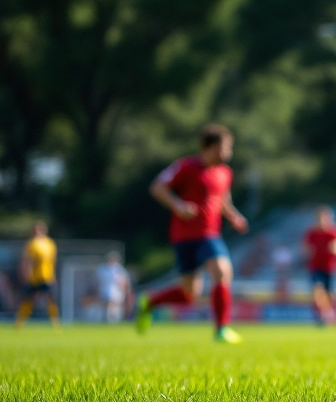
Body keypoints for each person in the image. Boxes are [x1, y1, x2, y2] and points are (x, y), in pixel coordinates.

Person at [135, 124, 248, 343]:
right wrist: (177, 205)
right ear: (213, 146)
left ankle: (222, 328)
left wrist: (233, 216)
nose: (230, 153)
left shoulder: (225, 173)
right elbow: (158, 186)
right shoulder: (185, 166)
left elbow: (223, 199)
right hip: (184, 236)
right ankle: (149, 302)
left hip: (209, 234)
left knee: (222, 272)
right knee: (189, 295)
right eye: (227, 147)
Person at [303, 205, 336, 326]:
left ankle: (327, 314)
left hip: (330, 268)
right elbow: (304, 247)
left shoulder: (334, 232)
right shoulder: (312, 233)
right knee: (318, 290)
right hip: (315, 267)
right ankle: (326, 315)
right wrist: (308, 251)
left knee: (328, 295)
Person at [14, 221, 59, 328]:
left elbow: (52, 261)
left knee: (51, 299)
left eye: (41, 229)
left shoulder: (50, 244)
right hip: (34, 277)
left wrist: (53, 275)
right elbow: (27, 260)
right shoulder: (31, 244)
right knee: (28, 299)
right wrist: (26, 274)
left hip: (46, 276)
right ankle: (19, 322)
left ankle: (55, 322)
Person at [96, 251, 132, 323]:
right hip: (105, 290)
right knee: (108, 304)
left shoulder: (120, 269)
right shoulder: (103, 269)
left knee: (116, 305)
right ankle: (108, 319)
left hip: (118, 291)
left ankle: (115, 319)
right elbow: (98, 281)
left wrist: (126, 291)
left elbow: (125, 281)